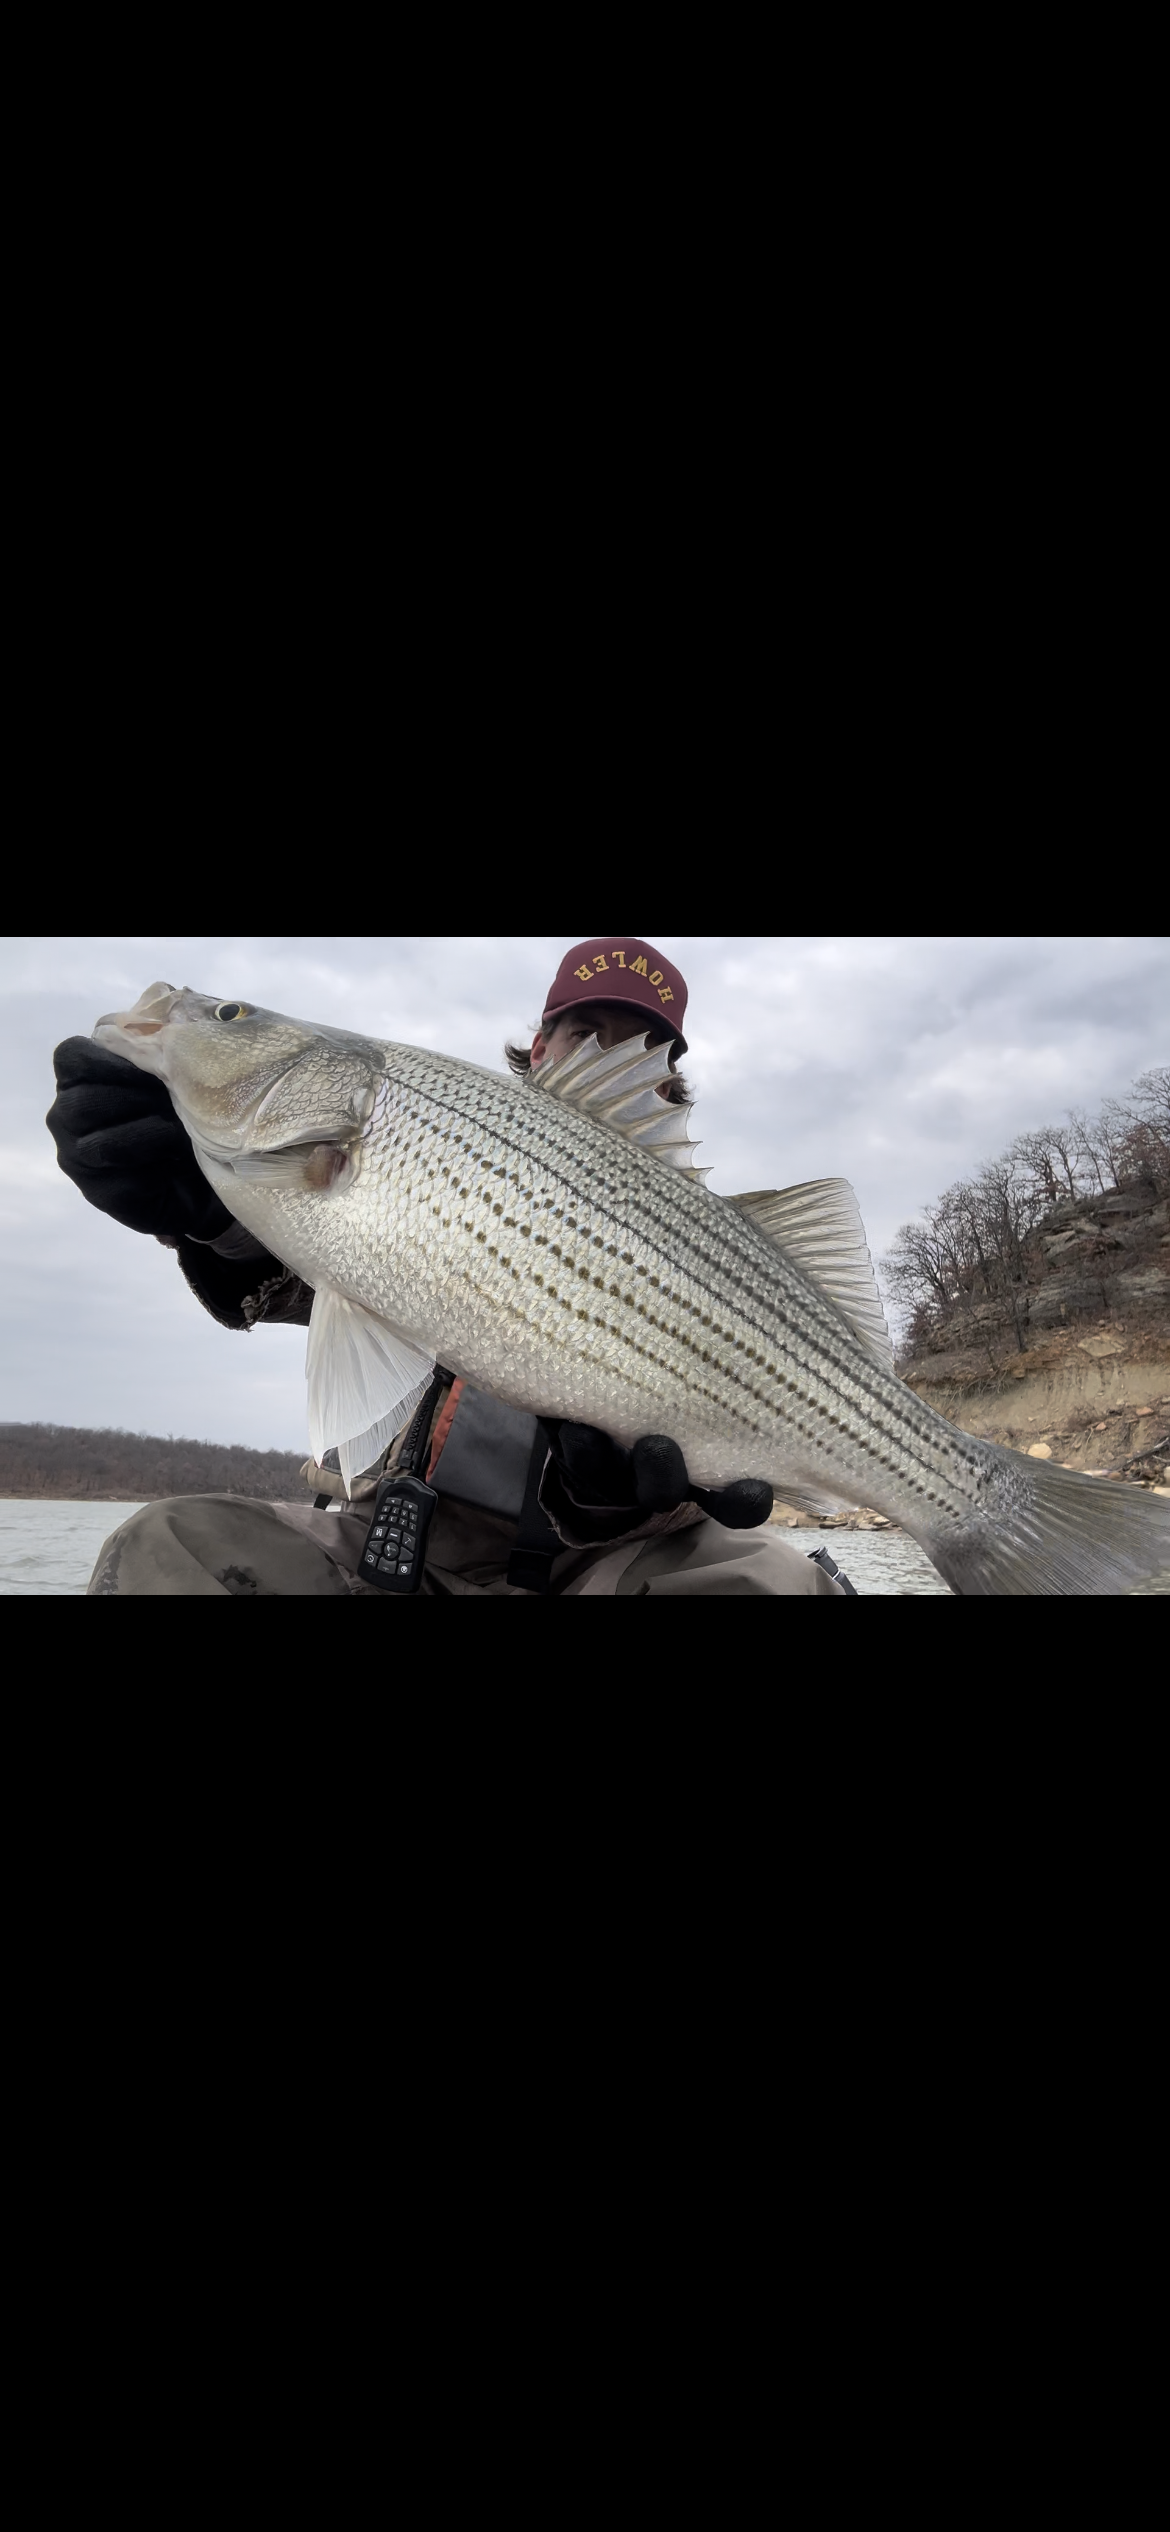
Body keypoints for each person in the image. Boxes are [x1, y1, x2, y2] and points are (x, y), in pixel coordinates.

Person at [46, 938, 845, 1596]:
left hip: (610, 1562)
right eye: (587, 1031)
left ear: (667, 1078)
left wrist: (620, 1504)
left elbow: (713, 1458)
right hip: (400, 1541)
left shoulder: (713, 1245)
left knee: (783, 1583)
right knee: (168, 1543)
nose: (613, 1053)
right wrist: (212, 1221)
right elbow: (305, 1274)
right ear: (542, 1047)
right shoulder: (431, 1149)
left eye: (641, 1043)